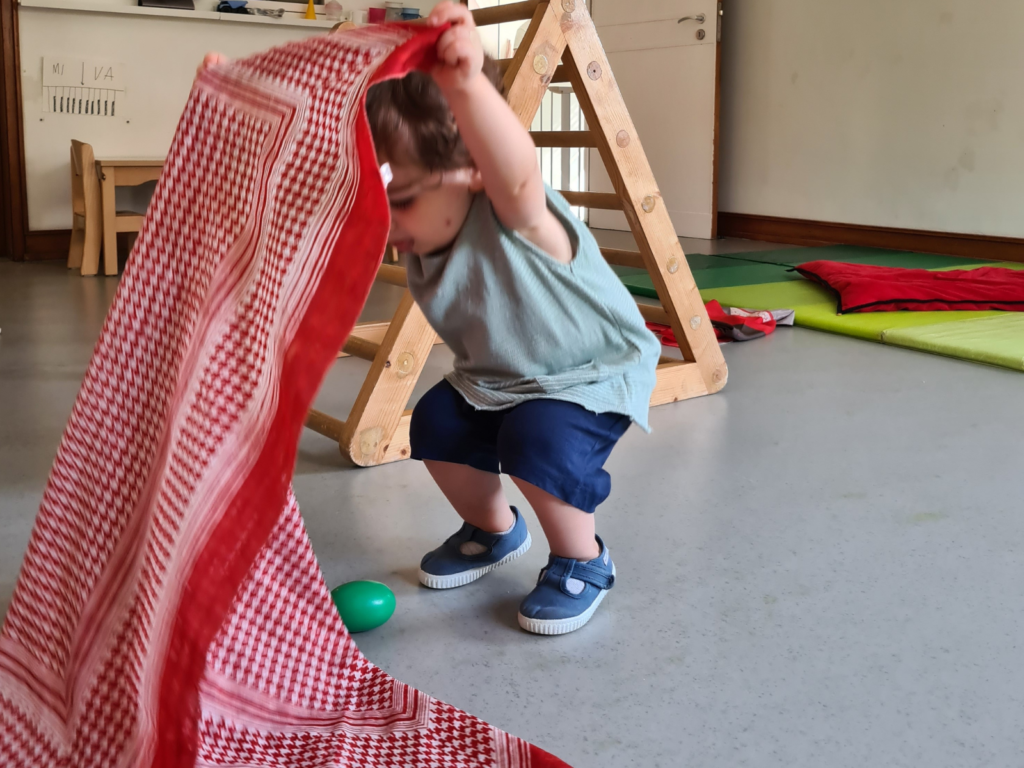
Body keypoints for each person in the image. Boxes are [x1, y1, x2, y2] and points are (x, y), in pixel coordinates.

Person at [199, 0, 660, 635]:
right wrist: (243, 120)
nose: (388, 225)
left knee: (538, 444)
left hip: (585, 372)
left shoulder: (513, 211)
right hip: (495, 378)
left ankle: (584, 558)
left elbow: (517, 173)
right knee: (438, 423)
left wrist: (466, 85)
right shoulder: (419, 229)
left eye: (404, 201)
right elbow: (305, 197)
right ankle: (494, 529)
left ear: (471, 169)